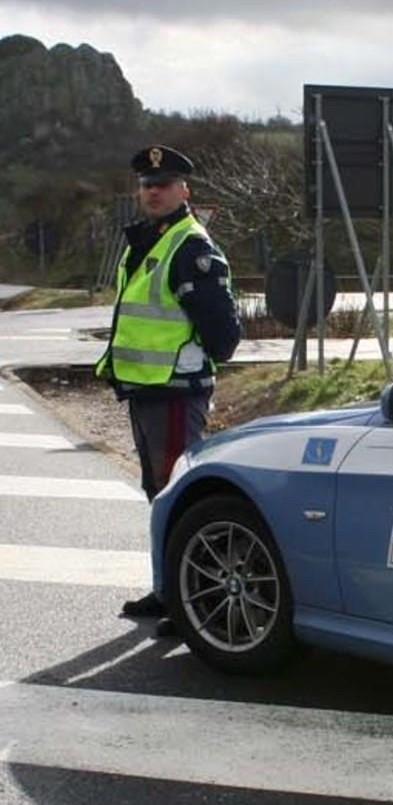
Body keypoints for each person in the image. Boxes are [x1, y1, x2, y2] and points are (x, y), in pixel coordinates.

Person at [96, 145, 241, 626]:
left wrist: (193, 359)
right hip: (146, 389)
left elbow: (223, 335)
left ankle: (191, 602)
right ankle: (169, 590)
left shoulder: (190, 245)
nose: (153, 191)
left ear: (184, 190)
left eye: (163, 184)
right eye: (146, 184)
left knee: (181, 497)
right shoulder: (149, 240)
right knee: (161, 494)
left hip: (175, 391)